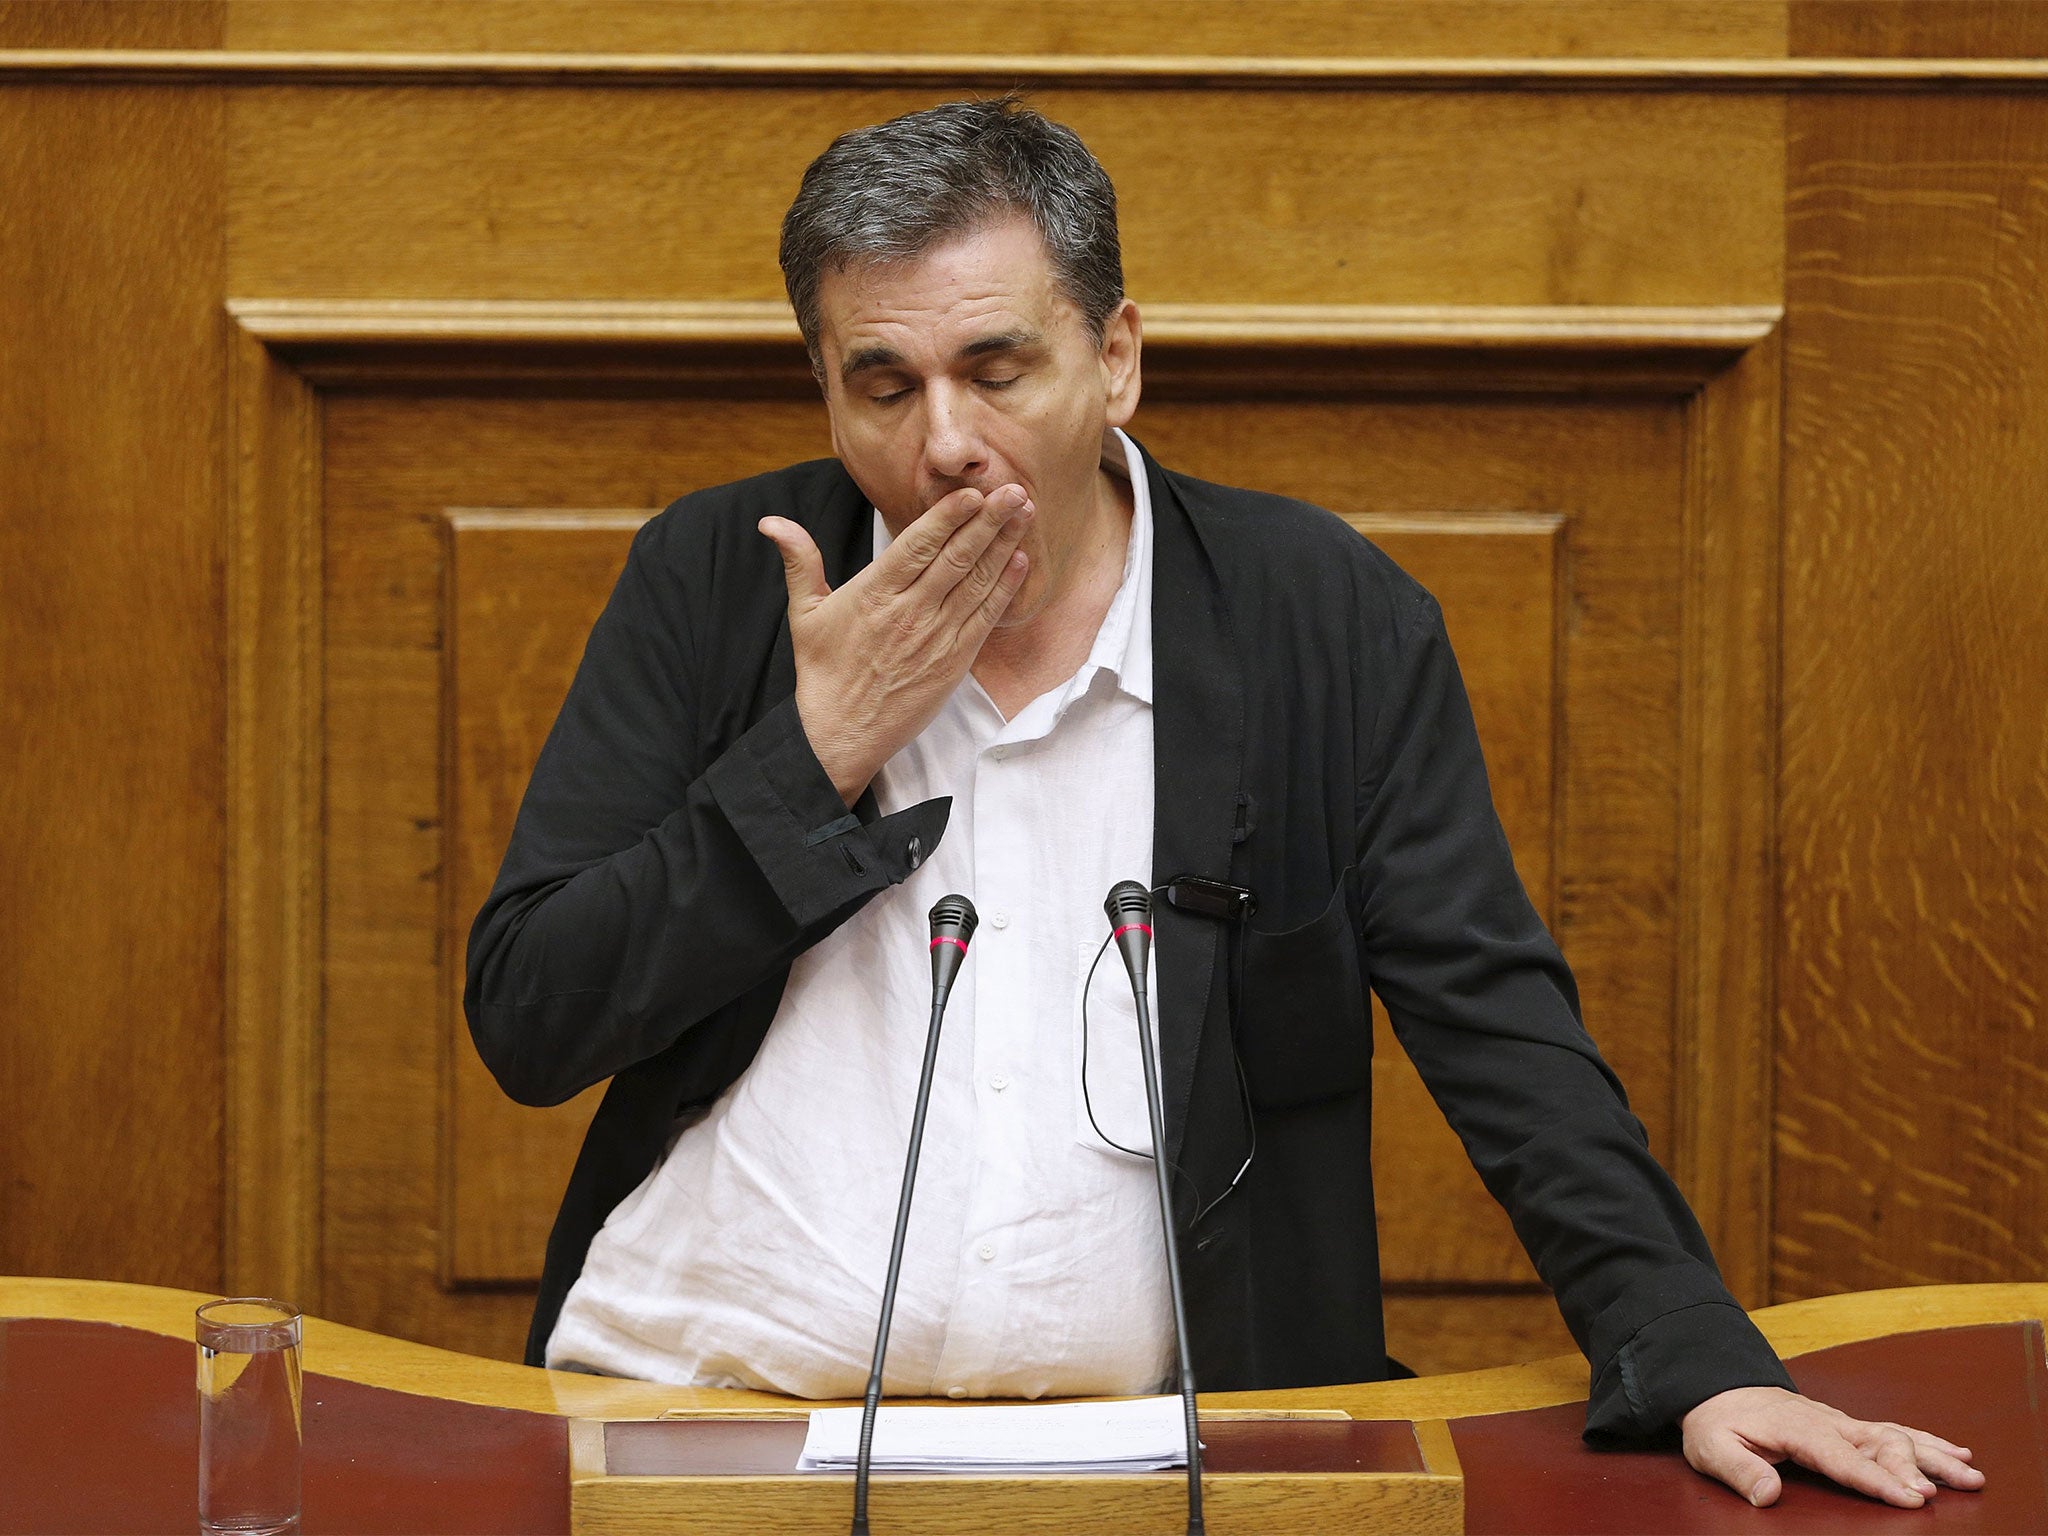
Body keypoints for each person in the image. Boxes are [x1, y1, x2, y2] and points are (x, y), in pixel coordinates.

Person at [466, 98, 1982, 1510]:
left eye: (998, 370)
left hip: (1183, 1451)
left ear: (1115, 356)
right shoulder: (716, 580)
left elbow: (1498, 1021)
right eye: (884, 384)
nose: (940, 442)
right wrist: (809, 760)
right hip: (706, 1425)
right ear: (824, 387)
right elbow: (532, 1016)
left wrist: (1691, 1346)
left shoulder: (1321, 618)